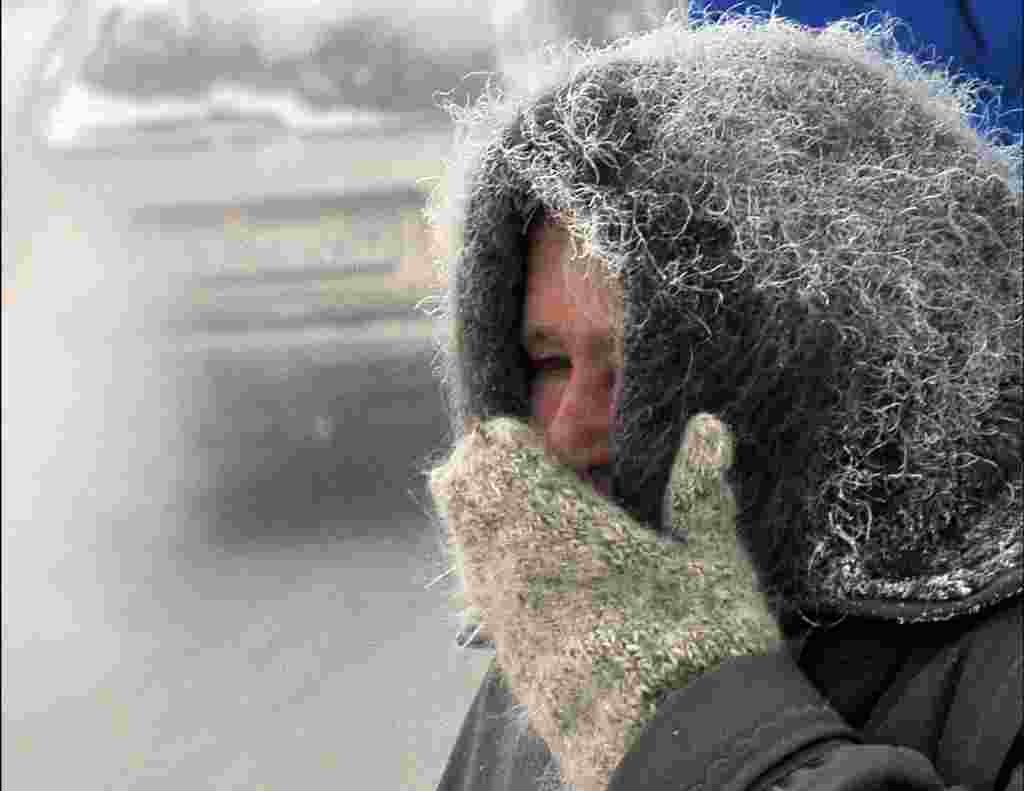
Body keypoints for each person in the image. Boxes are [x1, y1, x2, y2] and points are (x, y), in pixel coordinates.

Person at [425, 10, 1022, 791]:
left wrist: (689, 723)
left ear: (831, 348)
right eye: (545, 362)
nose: (570, 429)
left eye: (645, 361)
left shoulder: (997, 674)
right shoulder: (579, 642)